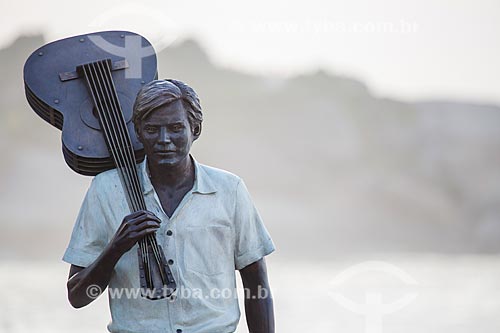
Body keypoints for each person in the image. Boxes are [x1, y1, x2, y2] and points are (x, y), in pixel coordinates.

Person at [63, 79, 276, 333]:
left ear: (195, 129)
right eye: (152, 129)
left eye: (176, 128)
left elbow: (257, 285)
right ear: (139, 131)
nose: (164, 139)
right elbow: (77, 297)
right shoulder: (106, 190)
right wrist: (116, 247)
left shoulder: (230, 190)